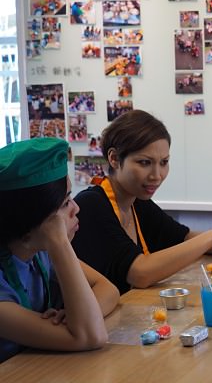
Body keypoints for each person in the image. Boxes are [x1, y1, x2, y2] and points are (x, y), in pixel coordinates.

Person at [72, 110, 212, 294]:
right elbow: (139, 273)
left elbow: (183, 238)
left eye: (164, 162)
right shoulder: (90, 205)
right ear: (114, 158)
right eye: (144, 163)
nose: (157, 175)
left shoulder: (137, 202)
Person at [0, 138, 119, 363]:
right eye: (65, 204)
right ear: (28, 224)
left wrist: (78, 317)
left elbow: (108, 289)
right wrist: (60, 241)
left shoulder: (37, 253)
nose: (77, 208)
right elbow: (90, 336)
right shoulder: (50, 248)